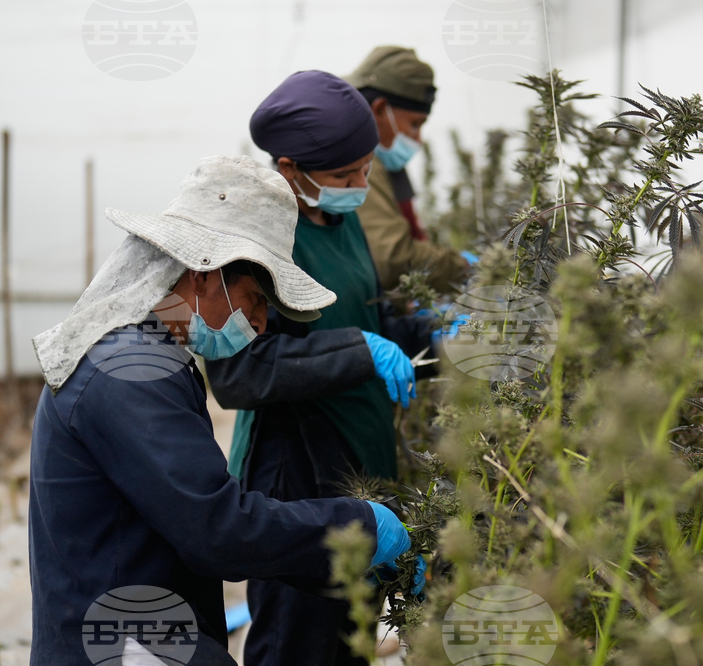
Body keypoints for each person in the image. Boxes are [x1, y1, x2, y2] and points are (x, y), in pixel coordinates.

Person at [28, 155, 418, 666]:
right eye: (256, 299)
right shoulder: (127, 373)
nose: (259, 323)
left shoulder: (152, 356)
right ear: (202, 273)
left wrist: (349, 557)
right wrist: (363, 526)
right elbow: (218, 531)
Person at [205, 71, 435, 666]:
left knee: (353, 639)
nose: (360, 185)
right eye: (344, 176)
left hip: (360, 453)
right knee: (296, 644)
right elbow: (238, 375)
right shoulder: (257, 240)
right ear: (289, 170)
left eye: (365, 169)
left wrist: (424, 330)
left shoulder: (344, 216)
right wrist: (361, 351)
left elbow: (364, 311)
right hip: (297, 472)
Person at [345, 46, 474, 294]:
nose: (418, 138)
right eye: (415, 124)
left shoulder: (385, 164)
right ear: (380, 110)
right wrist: (462, 266)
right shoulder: (358, 164)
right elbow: (393, 258)